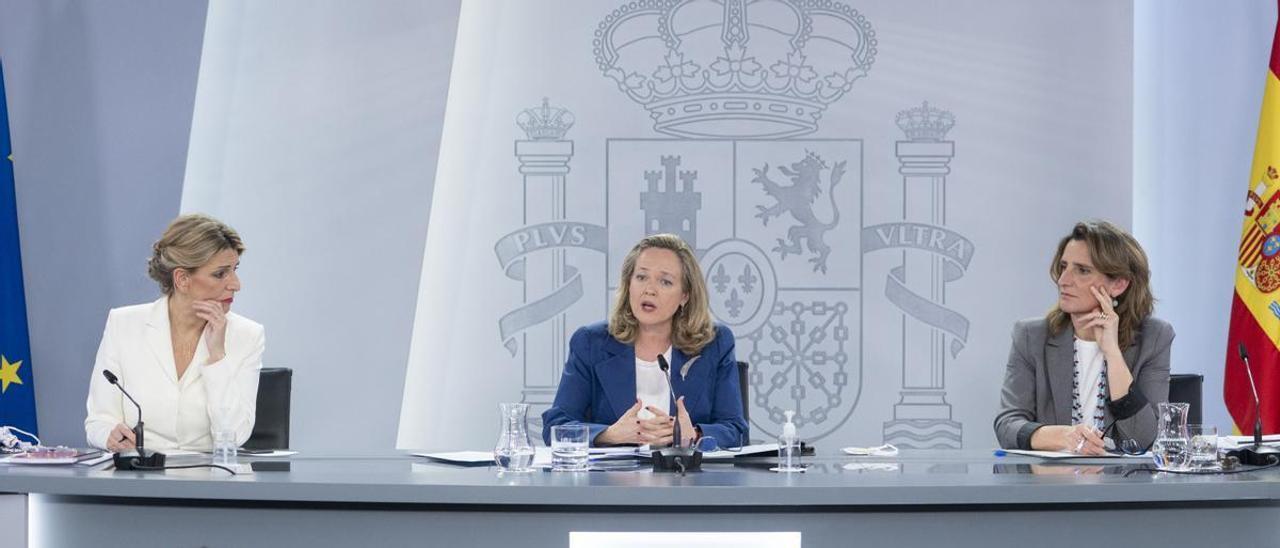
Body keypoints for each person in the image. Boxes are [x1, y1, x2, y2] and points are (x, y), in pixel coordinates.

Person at [542, 233, 748, 449]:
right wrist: (609, 434)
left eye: (665, 281)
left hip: (686, 479)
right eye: (641, 277)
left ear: (685, 296)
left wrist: (693, 434)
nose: (649, 289)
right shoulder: (591, 343)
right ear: (628, 284)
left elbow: (735, 430)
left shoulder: (713, 343)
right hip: (611, 481)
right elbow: (555, 427)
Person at [85, 213, 264, 453]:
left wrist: (217, 356)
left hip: (211, 481)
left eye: (235, 270)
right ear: (182, 279)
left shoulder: (247, 335)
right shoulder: (124, 324)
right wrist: (108, 434)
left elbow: (234, 436)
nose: (236, 284)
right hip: (138, 476)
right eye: (221, 273)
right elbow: (98, 421)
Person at [995, 220, 1174, 454]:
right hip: (1050, 485)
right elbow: (1007, 425)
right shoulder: (1031, 336)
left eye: (1082, 270)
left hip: (1123, 486)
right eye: (1063, 267)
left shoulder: (1154, 337)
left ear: (1119, 284)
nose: (1063, 280)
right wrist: (1063, 437)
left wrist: (1113, 353)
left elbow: (1144, 439)